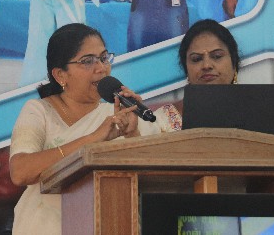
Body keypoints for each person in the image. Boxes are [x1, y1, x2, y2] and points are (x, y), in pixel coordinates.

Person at [9, 23, 160, 235]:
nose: (101, 68)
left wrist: (132, 135)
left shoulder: (120, 116)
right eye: (88, 61)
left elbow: (151, 185)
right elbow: (20, 172)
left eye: (104, 58)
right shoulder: (39, 111)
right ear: (60, 75)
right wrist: (93, 139)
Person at [154, 19, 241, 131]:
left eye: (217, 56)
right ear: (186, 69)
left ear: (234, 63)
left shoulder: (258, 111)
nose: (206, 65)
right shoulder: (161, 123)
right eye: (196, 59)